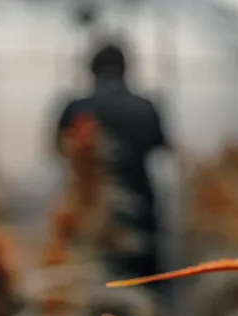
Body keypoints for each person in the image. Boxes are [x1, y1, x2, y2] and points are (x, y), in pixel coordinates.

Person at [54, 41, 171, 286]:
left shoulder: (75, 108)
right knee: (145, 283)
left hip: (87, 210)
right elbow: (162, 146)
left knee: (95, 281)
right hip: (141, 205)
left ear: (91, 70)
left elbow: (57, 149)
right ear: (126, 68)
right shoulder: (145, 106)